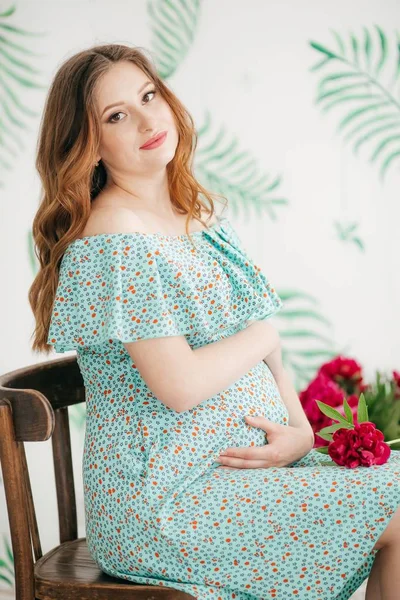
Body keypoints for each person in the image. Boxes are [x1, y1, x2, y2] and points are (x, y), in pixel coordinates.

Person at [28, 43, 400, 600]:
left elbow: (266, 357)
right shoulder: (115, 240)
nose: (148, 120)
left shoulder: (194, 219)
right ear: (90, 146)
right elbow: (180, 385)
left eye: (149, 96)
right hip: (169, 501)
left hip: (240, 477)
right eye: (116, 115)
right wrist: (265, 334)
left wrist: (299, 432)